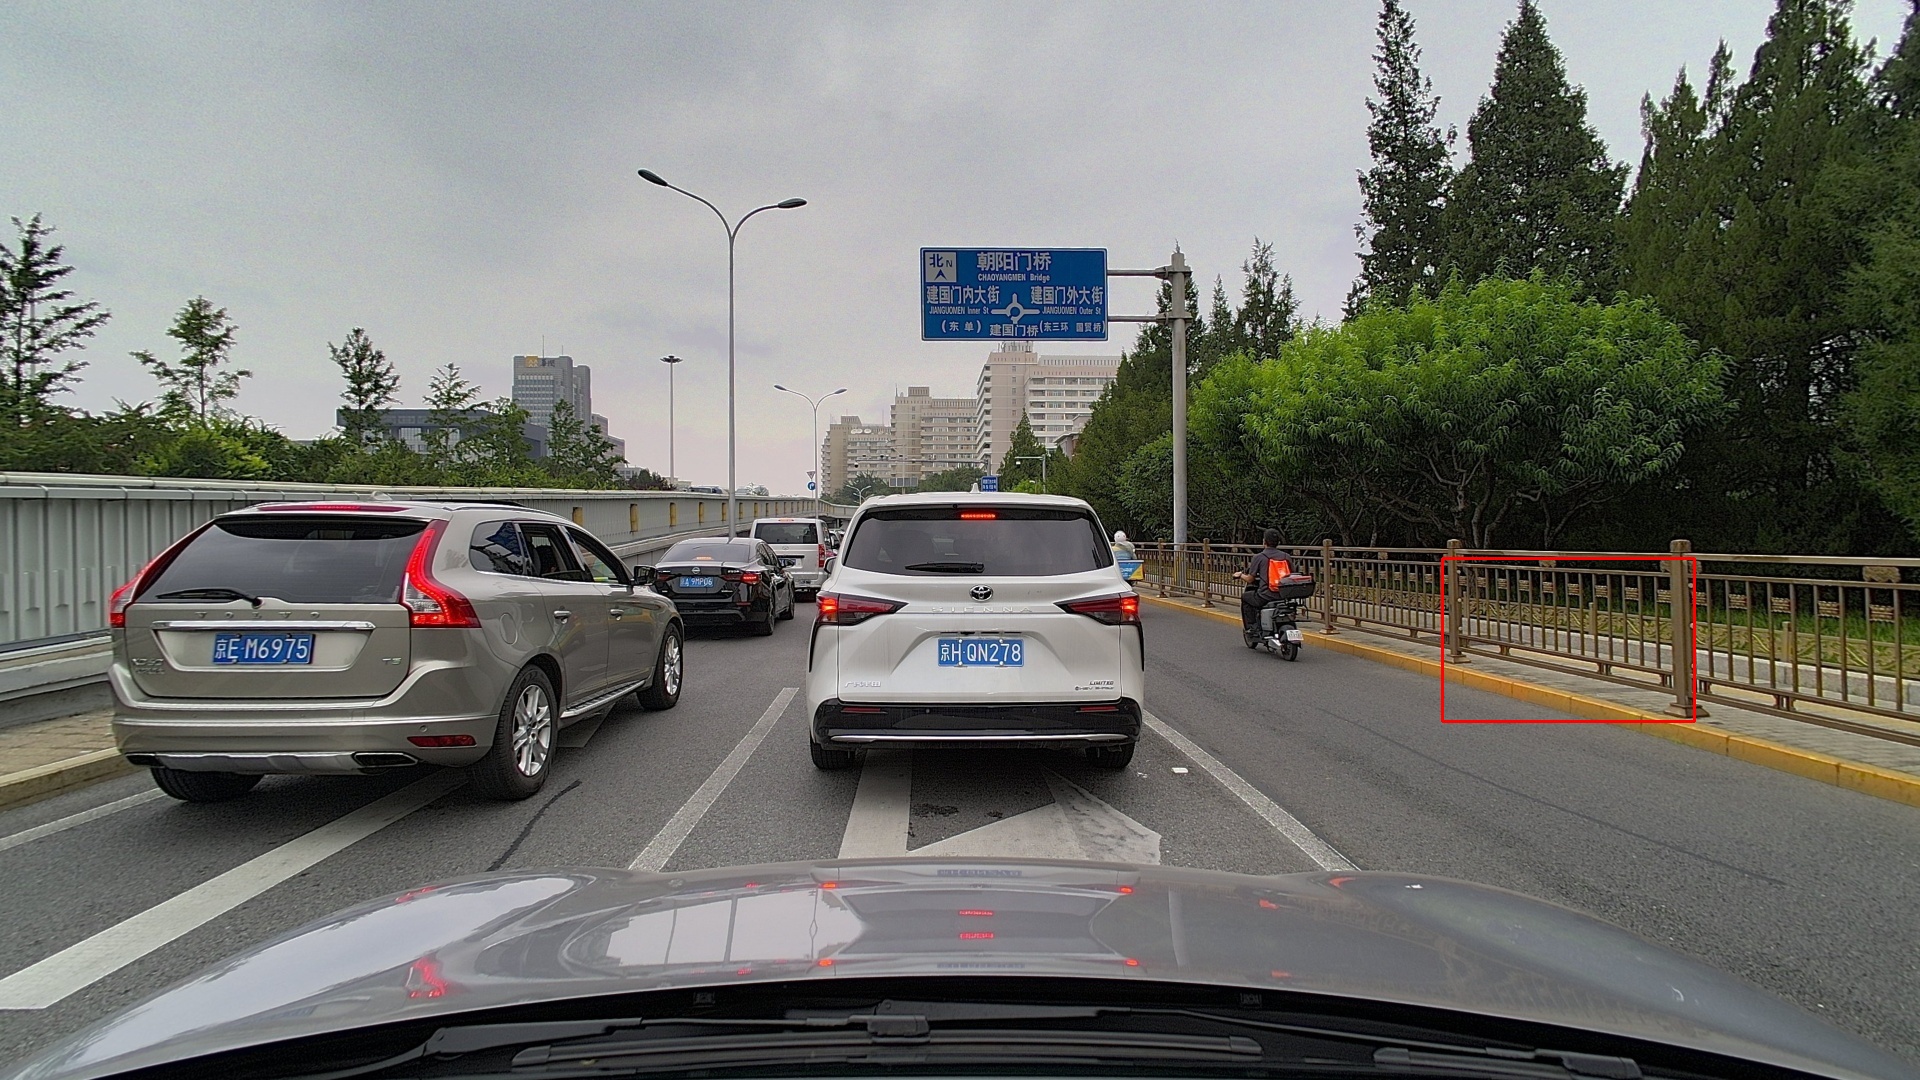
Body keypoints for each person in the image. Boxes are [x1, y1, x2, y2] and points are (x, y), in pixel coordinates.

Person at [1233, 528, 1291, 639]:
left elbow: (1250, 579)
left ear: (1264, 541)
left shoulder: (1259, 557)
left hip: (1266, 595)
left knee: (1246, 597)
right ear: (1278, 542)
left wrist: (1240, 575)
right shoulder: (1286, 557)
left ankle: (1252, 628)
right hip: (1284, 595)